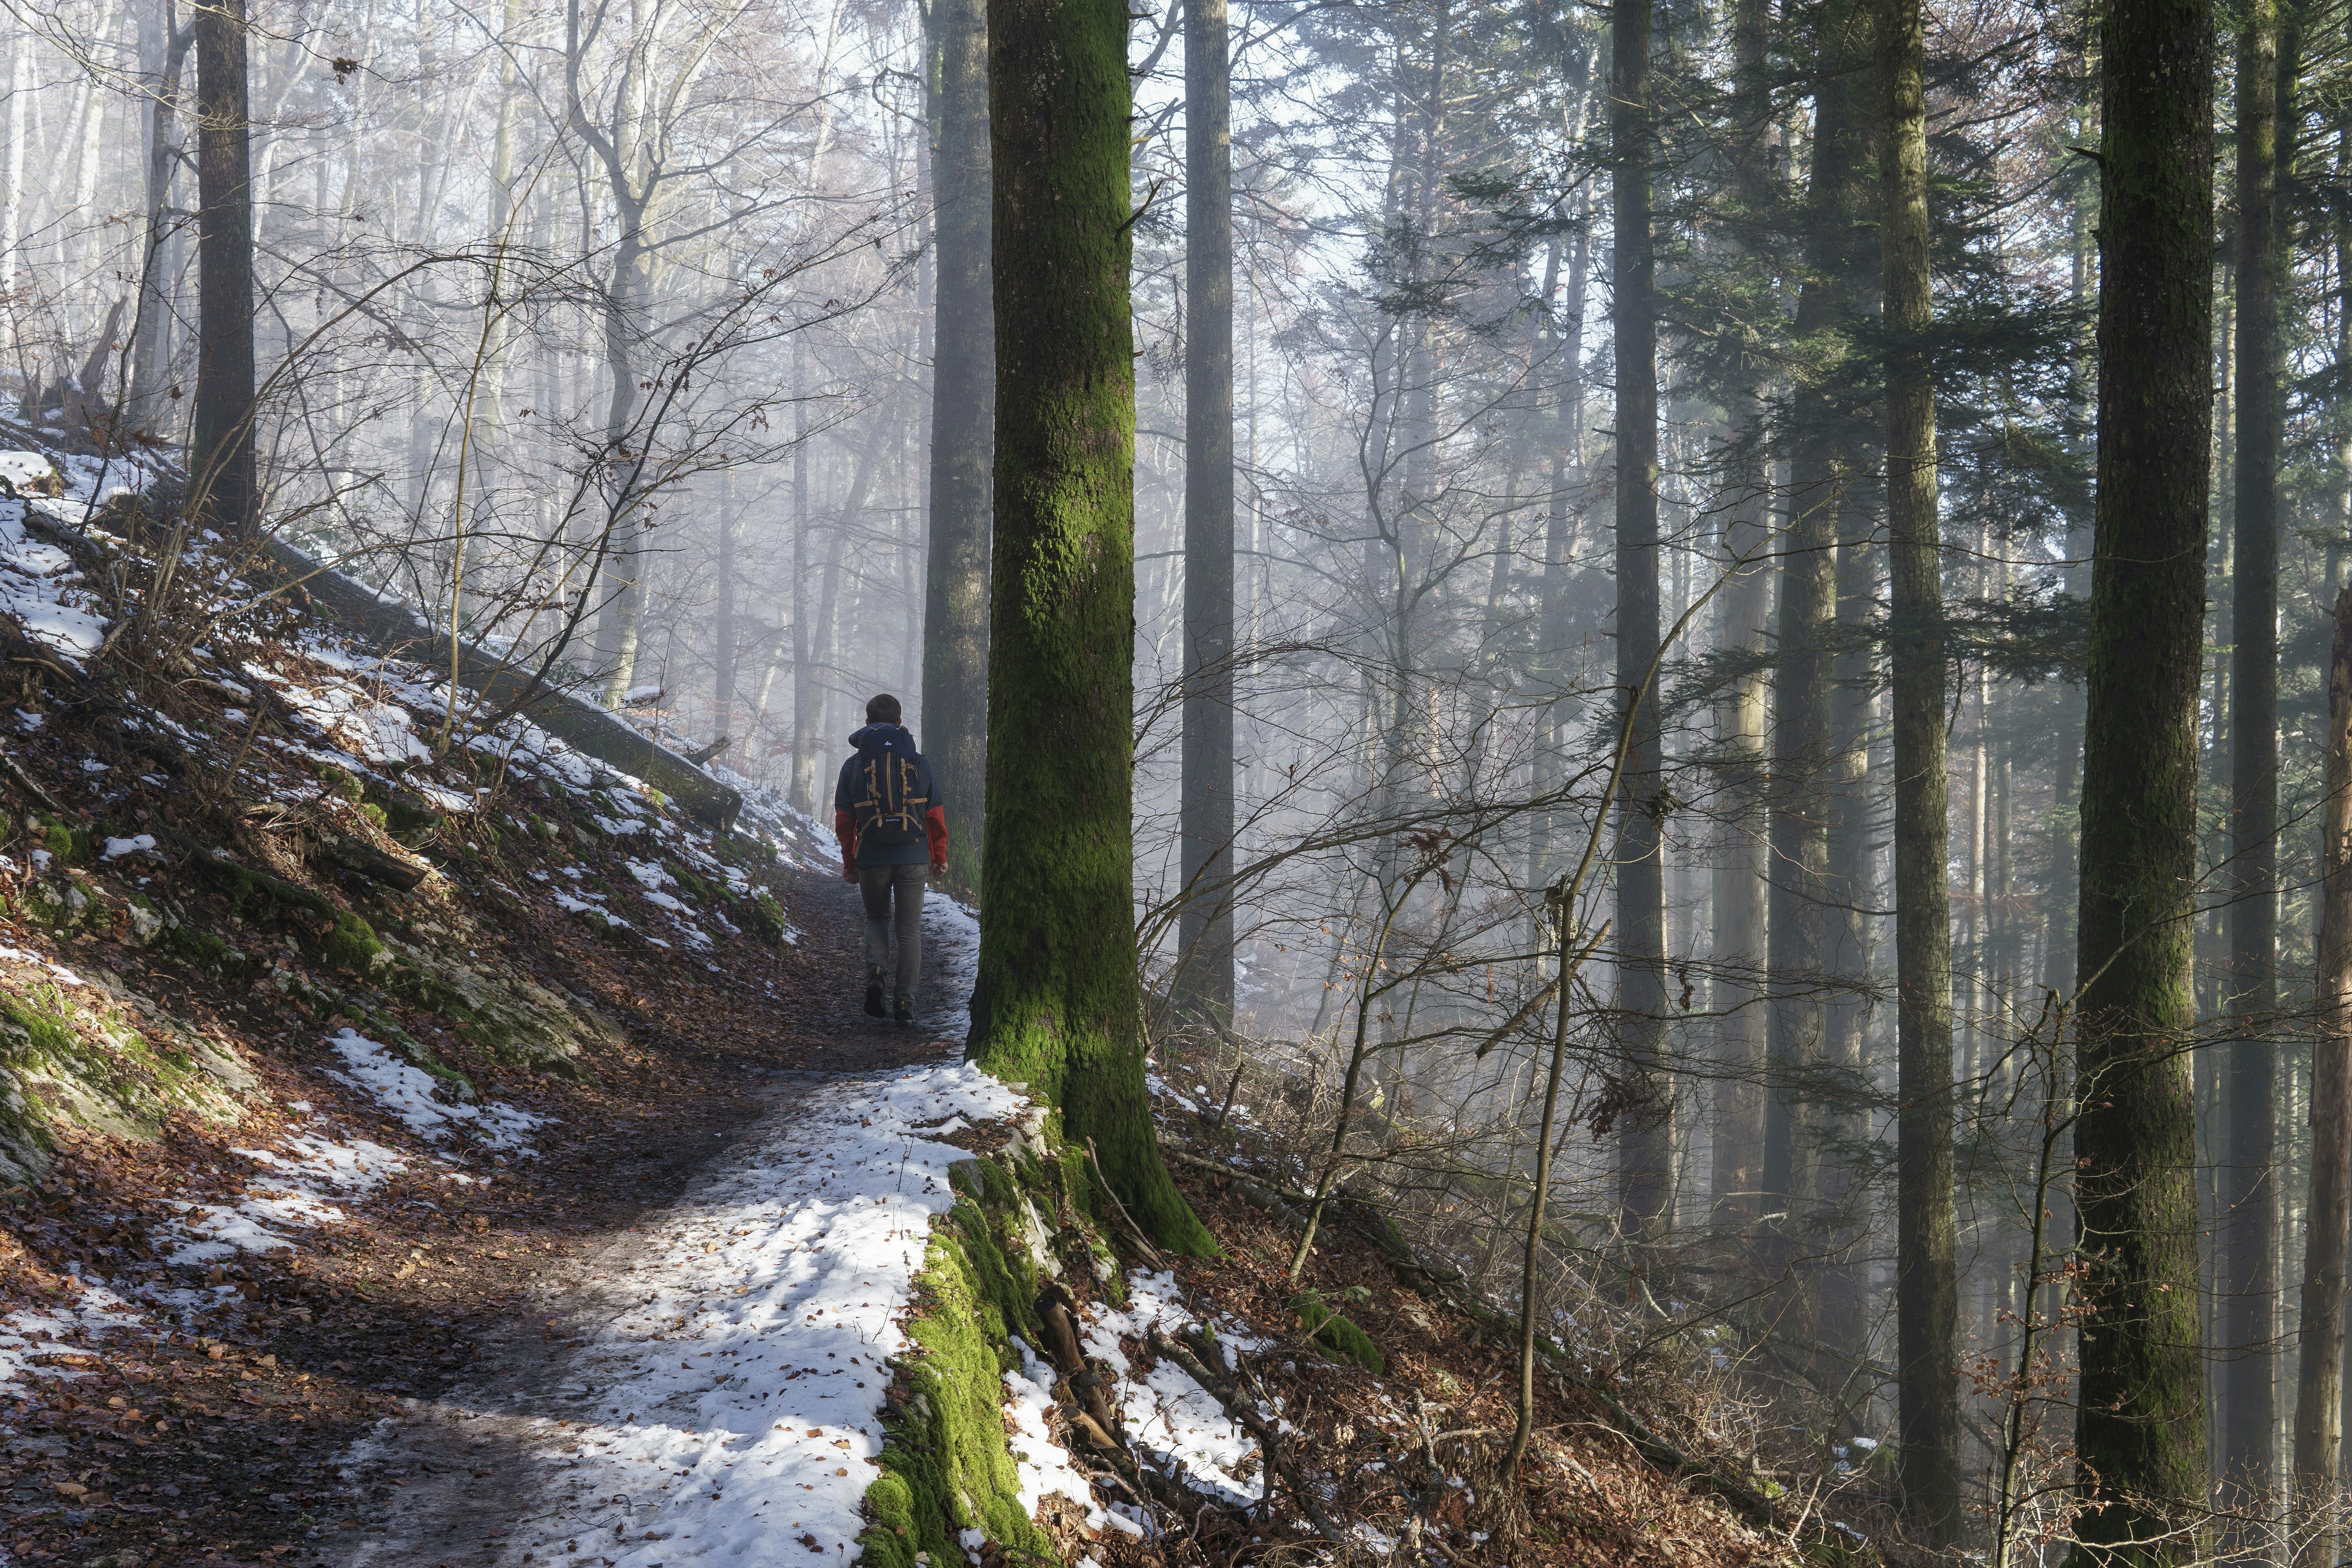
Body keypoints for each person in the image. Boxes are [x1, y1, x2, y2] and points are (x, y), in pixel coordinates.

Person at [833, 694, 948, 1025]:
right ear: (900, 723)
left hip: (872, 856)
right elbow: (936, 816)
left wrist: (850, 863)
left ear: (867, 724)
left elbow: (845, 821)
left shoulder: (854, 765)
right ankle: (904, 1007)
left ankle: (876, 976)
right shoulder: (919, 762)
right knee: (910, 931)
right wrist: (938, 856)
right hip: (913, 855)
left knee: (877, 920)